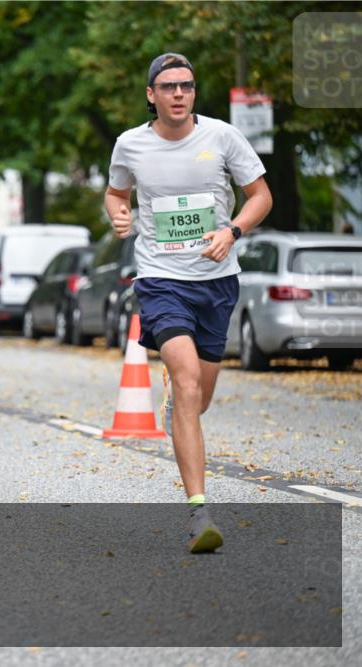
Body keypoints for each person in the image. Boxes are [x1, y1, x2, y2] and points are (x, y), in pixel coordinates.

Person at [106, 53, 272, 553]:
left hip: (217, 282)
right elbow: (116, 193)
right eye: (168, 86)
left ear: (194, 92)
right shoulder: (130, 144)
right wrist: (118, 214)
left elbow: (261, 196)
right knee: (186, 380)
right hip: (160, 279)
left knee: (198, 399)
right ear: (151, 95)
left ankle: (179, 404)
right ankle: (200, 514)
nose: (179, 93)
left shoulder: (222, 137)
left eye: (187, 85)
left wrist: (232, 231)